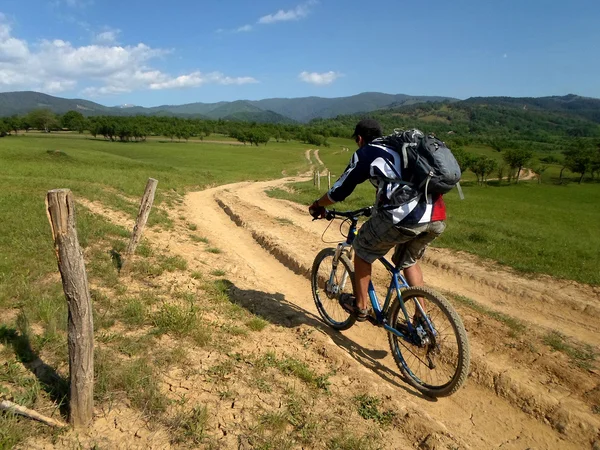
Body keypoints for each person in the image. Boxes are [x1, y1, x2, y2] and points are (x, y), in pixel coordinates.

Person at [308, 118, 447, 321]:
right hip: (436, 214)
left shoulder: (367, 152)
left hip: (405, 215)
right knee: (407, 260)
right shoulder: (400, 148)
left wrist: (318, 205)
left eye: (357, 141)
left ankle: (361, 306)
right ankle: (421, 317)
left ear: (360, 138)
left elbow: (341, 189)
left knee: (362, 250)